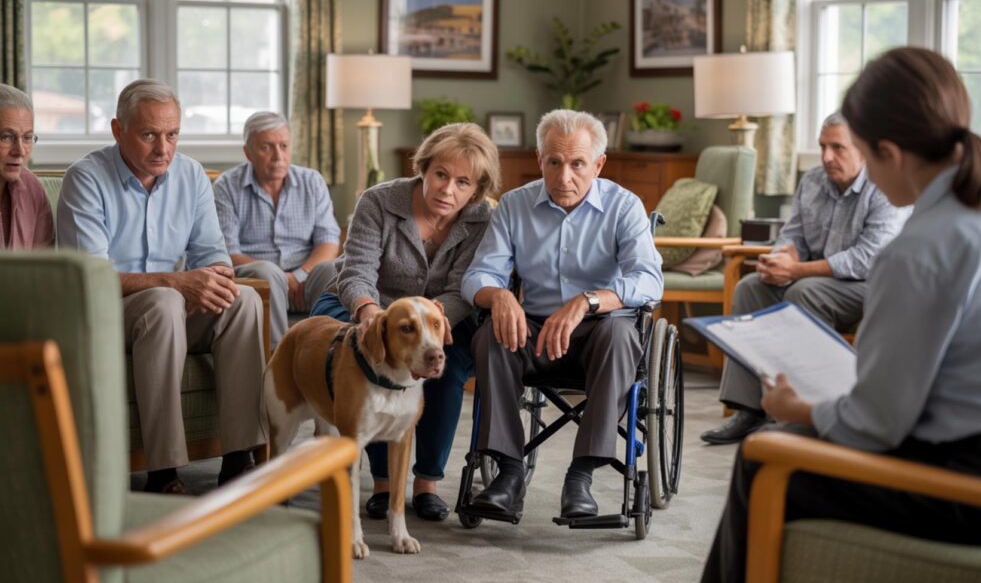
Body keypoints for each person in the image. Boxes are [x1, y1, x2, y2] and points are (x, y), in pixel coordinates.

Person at [701, 47, 981, 583]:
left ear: (889, 152)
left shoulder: (919, 251)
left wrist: (800, 408)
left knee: (762, 456)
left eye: (865, 155)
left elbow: (876, 424)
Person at [56, 79, 265, 495]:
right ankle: (163, 471)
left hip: (171, 310)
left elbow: (214, 257)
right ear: (118, 130)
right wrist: (176, 282)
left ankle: (239, 459)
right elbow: (90, 278)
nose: (163, 148)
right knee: (164, 301)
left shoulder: (191, 175)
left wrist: (210, 281)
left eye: (172, 135)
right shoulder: (86, 178)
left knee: (243, 300)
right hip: (106, 314)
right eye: (149, 134)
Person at [461, 109, 664, 520]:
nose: (564, 176)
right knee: (490, 335)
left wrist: (589, 301)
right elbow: (478, 275)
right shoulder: (515, 206)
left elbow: (649, 280)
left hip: (601, 332)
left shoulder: (624, 207)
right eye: (554, 162)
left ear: (598, 165)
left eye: (577, 164)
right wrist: (498, 296)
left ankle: (580, 477)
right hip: (534, 330)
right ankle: (509, 473)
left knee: (621, 336)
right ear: (540, 159)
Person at [309, 122, 500, 521]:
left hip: (440, 316)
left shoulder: (483, 219)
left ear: (476, 190)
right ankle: (384, 483)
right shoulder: (379, 201)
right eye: (441, 174)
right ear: (423, 168)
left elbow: (461, 287)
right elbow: (357, 272)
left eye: (462, 182)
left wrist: (432, 325)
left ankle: (427, 482)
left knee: (446, 368)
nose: (448, 190)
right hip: (361, 304)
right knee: (377, 363)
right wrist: (370, 314)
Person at [701, 113, 909, 445]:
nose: (827, 157)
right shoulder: (812, 181)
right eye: (822, 147)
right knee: (751, 287)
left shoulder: (881, 187)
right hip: (814, 278)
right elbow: (792, 234)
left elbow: (868, 259)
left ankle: (802, 412)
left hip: (872, 286)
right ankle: (748, 408)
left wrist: (797, 271)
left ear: (863, 150)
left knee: (803, 292)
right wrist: (779, 259)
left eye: (837, 148)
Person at [213, 111, 340, 348]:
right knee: (268, 273)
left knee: (333, 269)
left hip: (305, 279)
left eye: (283, 146)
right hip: (259, 279)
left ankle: (331, 353)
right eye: (266, 147)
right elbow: (227, 251)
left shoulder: (312, 181)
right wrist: (281, 279)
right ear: (248, 152)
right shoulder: (226, 187)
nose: (278, 156)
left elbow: (329, 240)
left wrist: (298, 275)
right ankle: (277, 357)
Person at [0, 84, 53, 249]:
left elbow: (44, 261)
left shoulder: (32, 189)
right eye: (7, 137)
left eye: (27, 137)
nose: (20, 151)